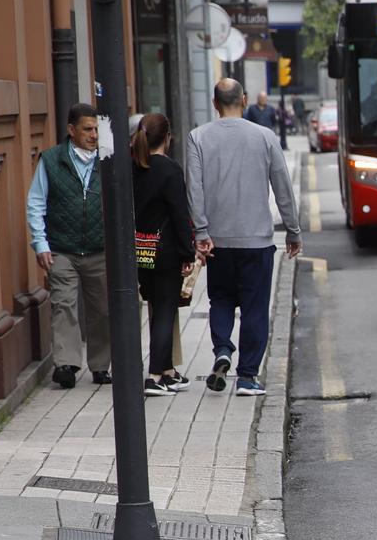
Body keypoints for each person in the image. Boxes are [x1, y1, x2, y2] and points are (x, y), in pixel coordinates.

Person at [187, 78, 303, 398]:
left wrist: (201, 231)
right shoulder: (264, 136)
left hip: (217, 241)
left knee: (220, 299)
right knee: (254, 308)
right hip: (256, 240)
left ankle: (223, 349)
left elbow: (194, 189)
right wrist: (292, 230)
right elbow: (283, 188)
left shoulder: (198, 137)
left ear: (215, 104)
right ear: (246, 100)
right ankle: (248, 377)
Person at [26, 103, 112, 388]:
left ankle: (101, 366)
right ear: (71, 130)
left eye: (96, 129)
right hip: (62, 248)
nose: (93, 135)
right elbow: (36, 203)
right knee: (64, 306)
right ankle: (67, 365)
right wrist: (40, 244)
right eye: (87, 129)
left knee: (102, 309)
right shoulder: (51, 161)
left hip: (100, 249)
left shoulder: (107, 159)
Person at [129, 114, 198, 396]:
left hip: (142, 247)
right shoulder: (169, 170)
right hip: (167, 250)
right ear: (167, 137)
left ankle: (168, 372)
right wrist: (188, 253)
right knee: (165, 311)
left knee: (157, 307)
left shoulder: (134, 167)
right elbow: (180, 215)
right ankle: (155, 375)